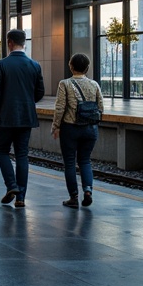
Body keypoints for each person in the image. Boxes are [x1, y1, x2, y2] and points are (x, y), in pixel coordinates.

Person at [0, 29, 45, 208]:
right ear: (24, 43)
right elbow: (40, 92)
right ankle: (21, 197)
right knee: (22, 154)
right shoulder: (35, 65)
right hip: (26, 116)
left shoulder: (1, 64)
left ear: (9, 42)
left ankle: (11, 186)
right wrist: (28, 102)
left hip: (6, 116)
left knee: (3, 151)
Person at [52, 53, 104, 208]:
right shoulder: (94, 85)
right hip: (90, 128)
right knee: (85, 160)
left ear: (71, 66)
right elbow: (100, 107)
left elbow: (60, 107)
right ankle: (88, 190)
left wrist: (56, 126)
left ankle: (73, 197)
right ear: (87, 68)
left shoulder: (65, 84)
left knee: (69, 162)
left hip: (70, 128)